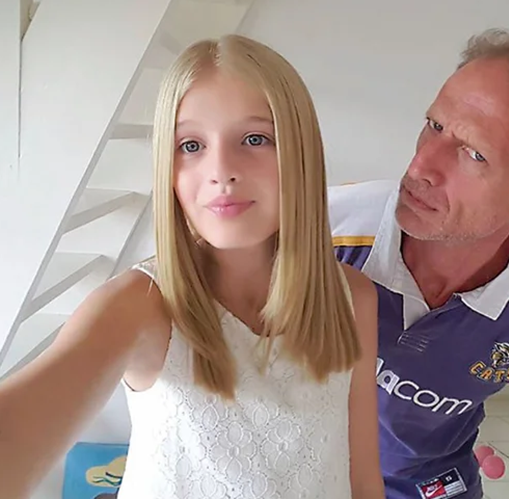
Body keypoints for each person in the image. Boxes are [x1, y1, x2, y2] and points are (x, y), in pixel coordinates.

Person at [0, 34, 385, 499]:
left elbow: (363, 478)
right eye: (190, 145)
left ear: (301, 154)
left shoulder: (353, 298)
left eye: (255, 139)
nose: (221, 170)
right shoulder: (139, 306)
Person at [329, 26, 509, 499]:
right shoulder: (322, 228)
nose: (420, 166)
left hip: (431, 486)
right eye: (434, 126)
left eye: (475, 154)